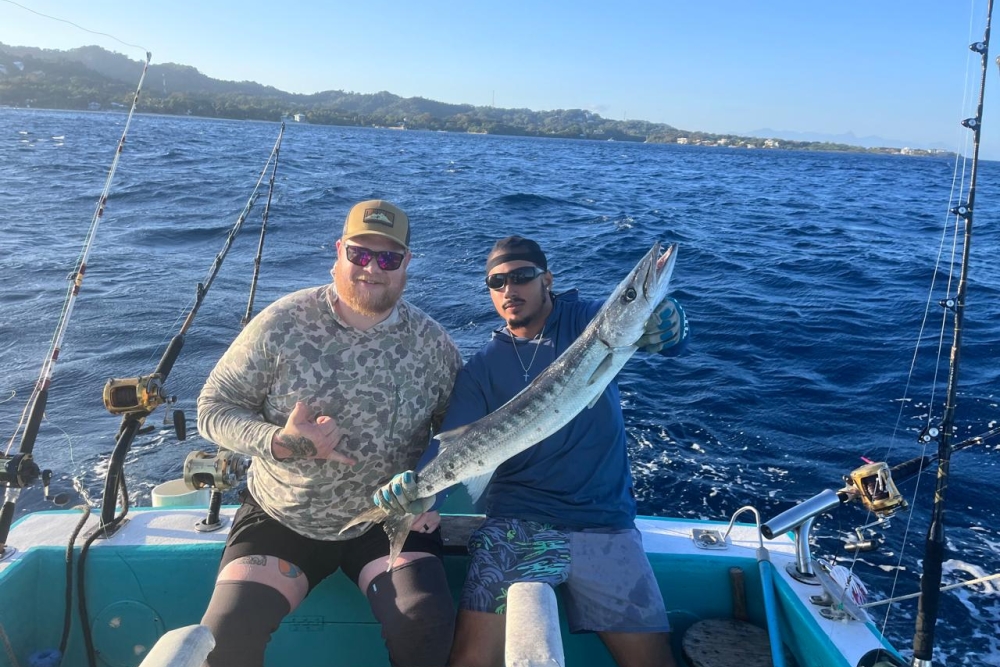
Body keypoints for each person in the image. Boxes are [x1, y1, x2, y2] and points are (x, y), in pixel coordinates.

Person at [374, 236, 688, 667]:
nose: (509, 289)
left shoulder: (585, 320)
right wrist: (420, 492)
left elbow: (660, 336)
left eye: (521, 276)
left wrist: (670, 325)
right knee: (469, 661)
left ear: (547, 280)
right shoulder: (481, 369)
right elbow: (451, 444)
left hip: (605, 522)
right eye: (496, 281)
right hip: (516, 525)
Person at [196, 199, 463, 667]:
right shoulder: (281, 323)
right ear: (339, 252)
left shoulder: (433, 344)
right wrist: (278, 443)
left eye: (388, 258)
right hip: (284, 517)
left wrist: (432, 494)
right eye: (360, 254)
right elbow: (212, 409)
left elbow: (458, 435)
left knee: (425, 624)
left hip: (388, 520)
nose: (372, 268)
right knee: (226, 635)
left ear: (406, 264)